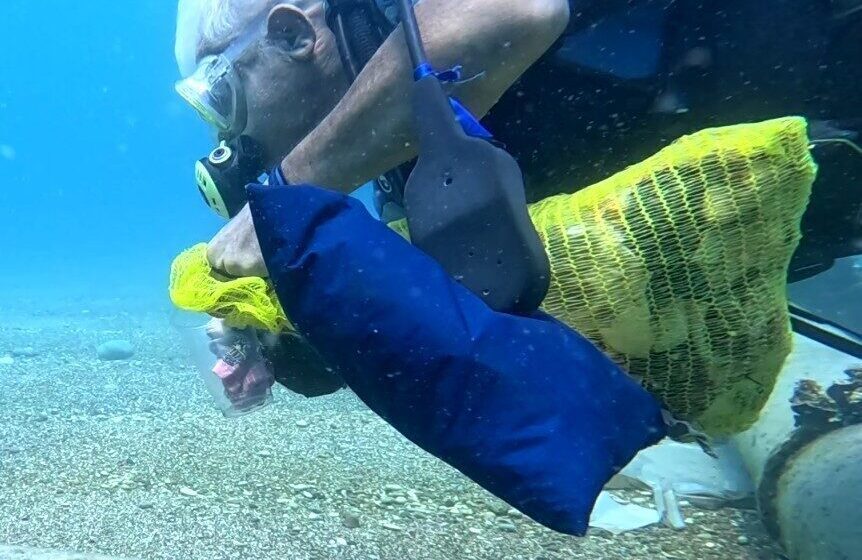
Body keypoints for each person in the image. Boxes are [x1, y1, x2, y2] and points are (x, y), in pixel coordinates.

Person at [174, 0, 861, 281]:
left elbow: (513, 12)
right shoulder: (395, 154)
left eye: (223, 97)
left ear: (294, 33)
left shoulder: (417, 22)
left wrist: (293, 193)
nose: (234, 141)